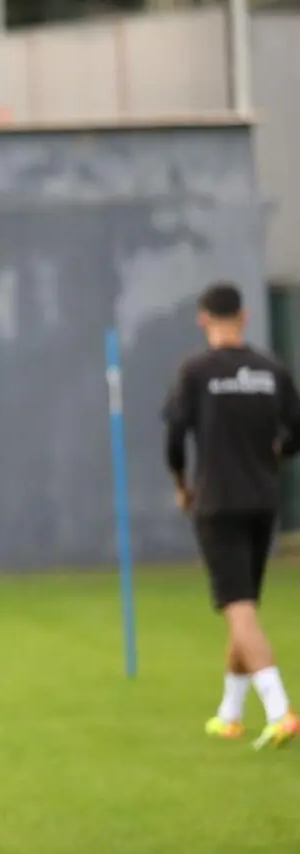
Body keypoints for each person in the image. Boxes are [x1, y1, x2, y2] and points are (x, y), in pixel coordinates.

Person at [162, 280, 300, 749]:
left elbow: (174, 437)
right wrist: (275, 455)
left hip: (218, 503)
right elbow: (297, 431)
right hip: (262, 502)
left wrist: (182, 485)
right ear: (244, 317)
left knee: (238, 608)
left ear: (203, 318)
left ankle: (280, 711)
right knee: (244, 607)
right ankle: (230, 714)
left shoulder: (196, 371)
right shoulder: (271, 370)